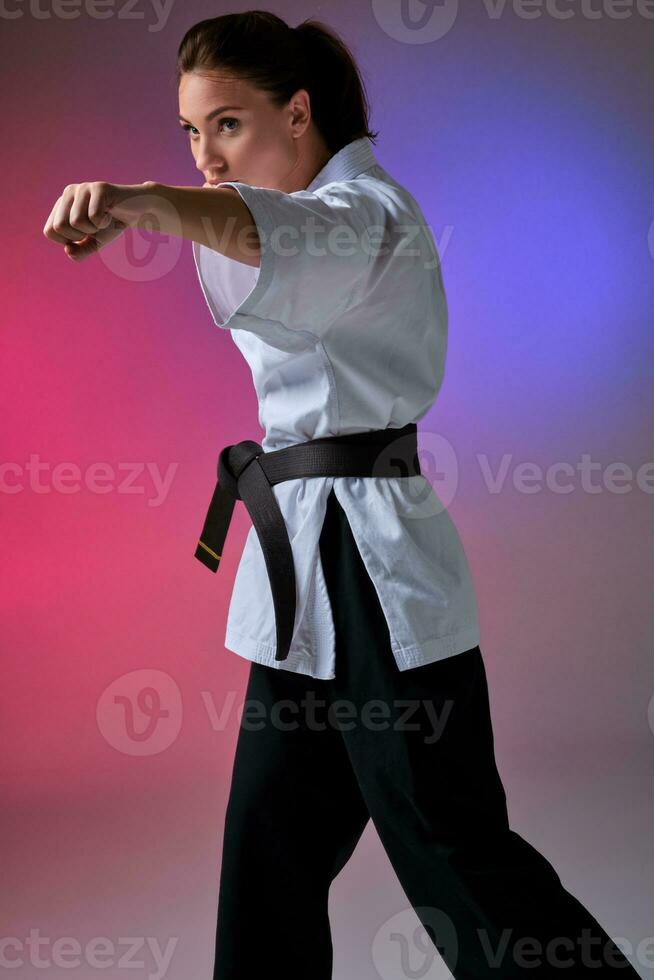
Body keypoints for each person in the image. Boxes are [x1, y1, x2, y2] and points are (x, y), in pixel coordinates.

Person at [42, 10, 642, 979]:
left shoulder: (371, 212)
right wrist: (163, 204)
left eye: (227, 126)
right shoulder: (302, 213)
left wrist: (145, 201)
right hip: (299, 579)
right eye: (190, 134)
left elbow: (269, 231)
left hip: (370, 569)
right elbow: (254, 235)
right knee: (267, 856)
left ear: (300, 110)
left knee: (454, 854)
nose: (205, 157)